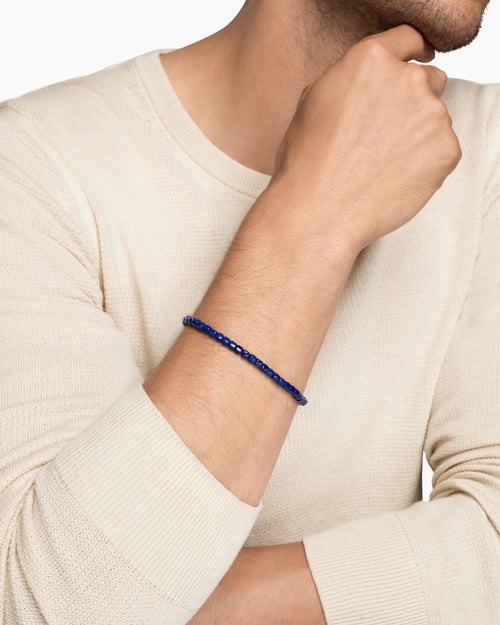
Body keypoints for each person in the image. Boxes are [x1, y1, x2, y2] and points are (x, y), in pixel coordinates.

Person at [0, 0, 498, 623]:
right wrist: (315, 212)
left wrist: (158, 602)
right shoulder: (29, 166)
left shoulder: (488, 147)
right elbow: (46, 605)